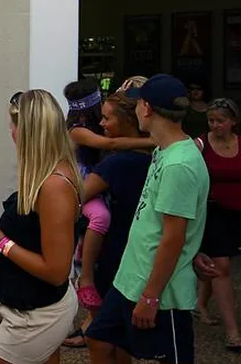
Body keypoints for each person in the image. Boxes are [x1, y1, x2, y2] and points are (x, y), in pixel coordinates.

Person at [86, 74, 210, 364]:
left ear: (147, 108)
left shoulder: (180, 164)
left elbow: (173, 236)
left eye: (138, 102)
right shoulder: (164, 150)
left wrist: (151, 296)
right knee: (99, 338)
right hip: (130, 278)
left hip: (160, 292)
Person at [0, 90, 82, 364]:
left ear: (30, 132)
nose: (11, 133)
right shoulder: (45, 174)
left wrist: (1, 242)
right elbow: (36, 232)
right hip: (32, 303)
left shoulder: (54, 185)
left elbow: (57, 272)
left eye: (14, 125)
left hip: (37, 313)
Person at [62, 90, 153, 348]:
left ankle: (87, 278)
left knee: (107, 334)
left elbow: (78, 195)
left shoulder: (116, 163)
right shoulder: (154, 157)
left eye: (107, 118)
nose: (102, 124)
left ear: (125, 121)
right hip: (135, 242)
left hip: (115, 247)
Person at [193, 98, 240, 351]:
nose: (215, 125)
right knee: (220, 266)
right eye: (211, 120)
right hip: (214, 213)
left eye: (220, 121)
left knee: (219, 264)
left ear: (233, 121)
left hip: (237, 212)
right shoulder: (201, 144)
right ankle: (233, 332)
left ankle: (200, 303)